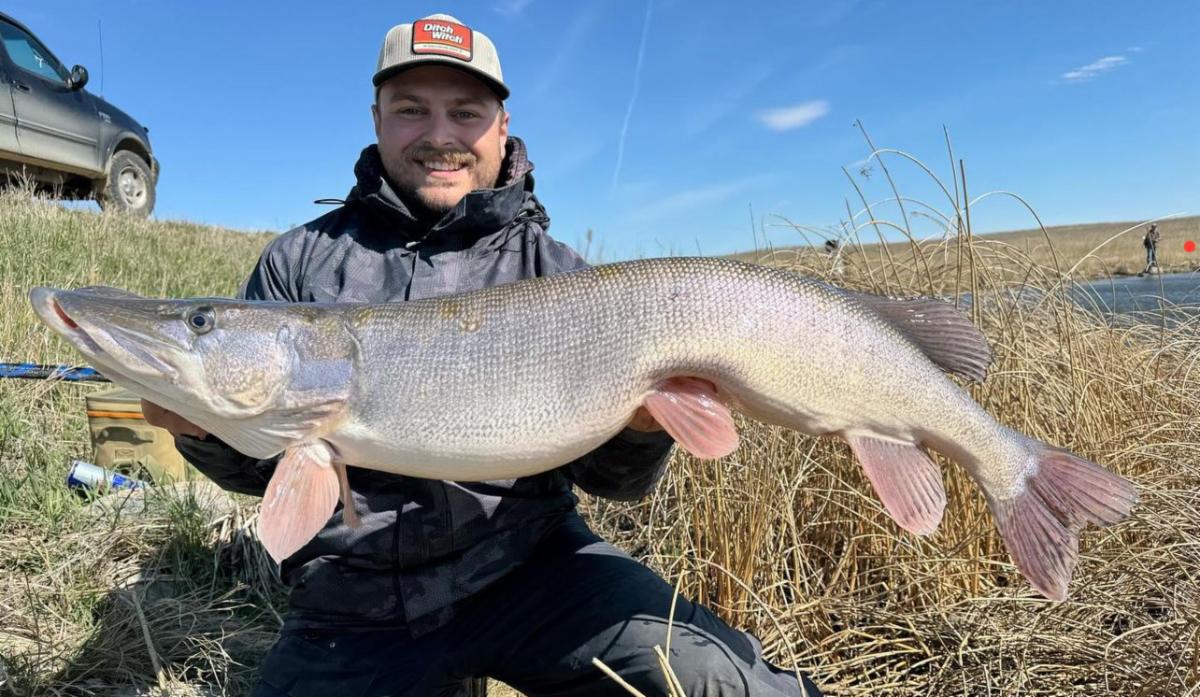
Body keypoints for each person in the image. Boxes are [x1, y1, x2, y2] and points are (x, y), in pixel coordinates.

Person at [142, 14, 822, 697]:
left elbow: (611, 480)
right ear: (377, 119)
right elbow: (262, 475)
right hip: (356, 601)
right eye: (412, 110)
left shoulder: (559, 275)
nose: (440, 135)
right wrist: (203, 430)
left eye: (465, 113)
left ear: (501, 127)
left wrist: (643, 429)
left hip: (535, 568)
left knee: (716, 681)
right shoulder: (299, 263)